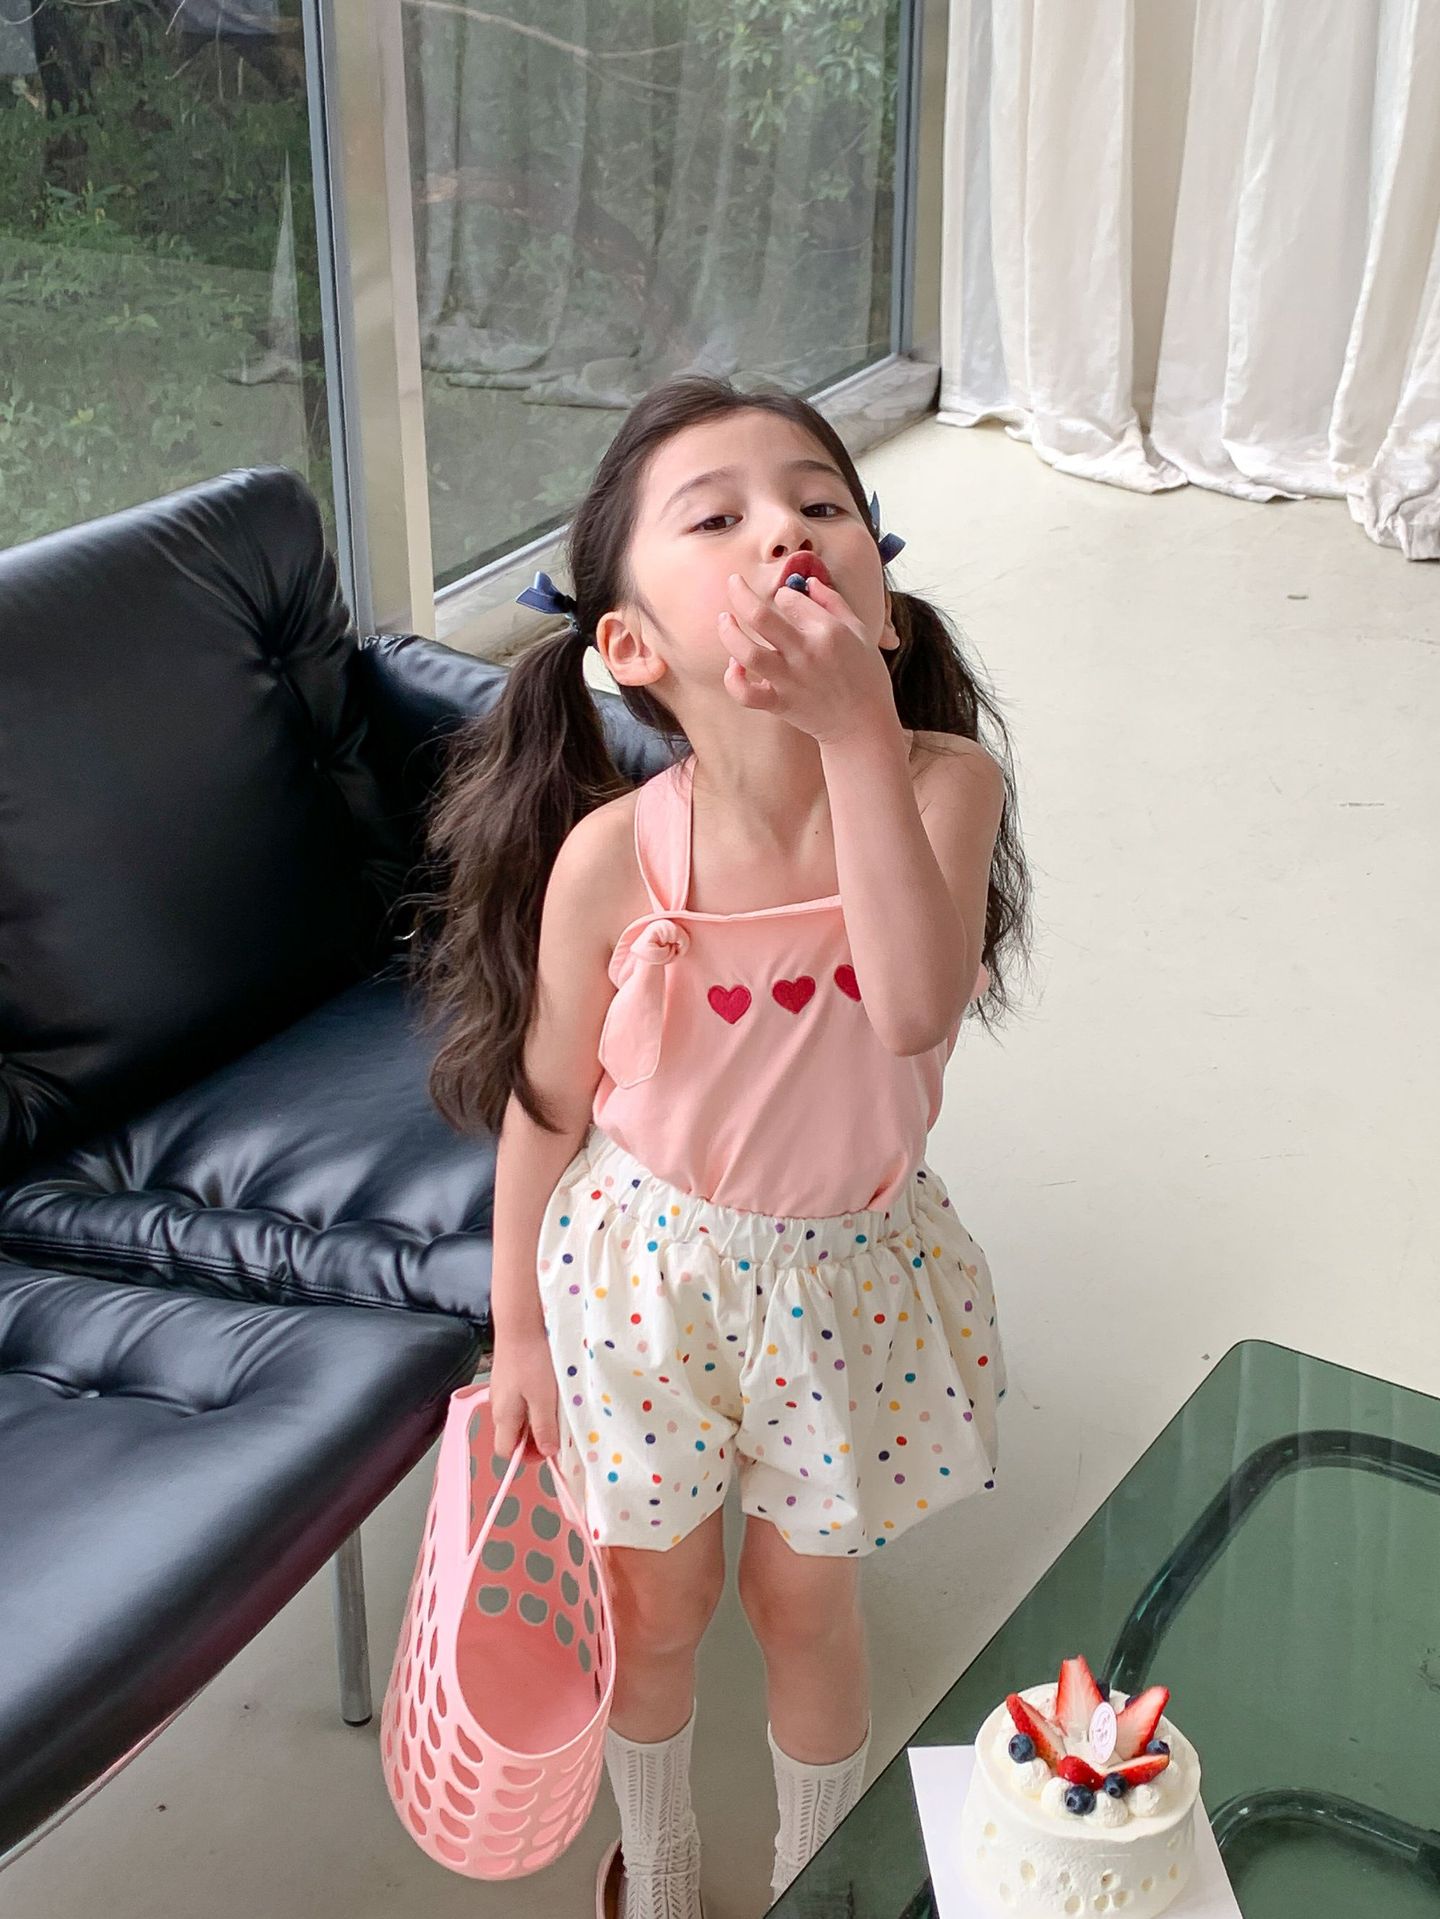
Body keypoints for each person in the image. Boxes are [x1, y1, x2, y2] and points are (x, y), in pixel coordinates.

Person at [411, 373, 1034, 1919]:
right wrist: (517, 1331)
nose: (786, 533)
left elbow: (912, 1004)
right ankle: (666, 1864)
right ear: (633, 647)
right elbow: (549, 1106)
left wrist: (859, 732)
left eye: (823, 504)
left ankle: (813, 1878)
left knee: (804, 1605)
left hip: (844, 1285)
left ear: (882, 601)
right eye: (719, 517)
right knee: (658, 1603)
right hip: (645, 1283)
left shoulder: (946, 784)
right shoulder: (613, 858)